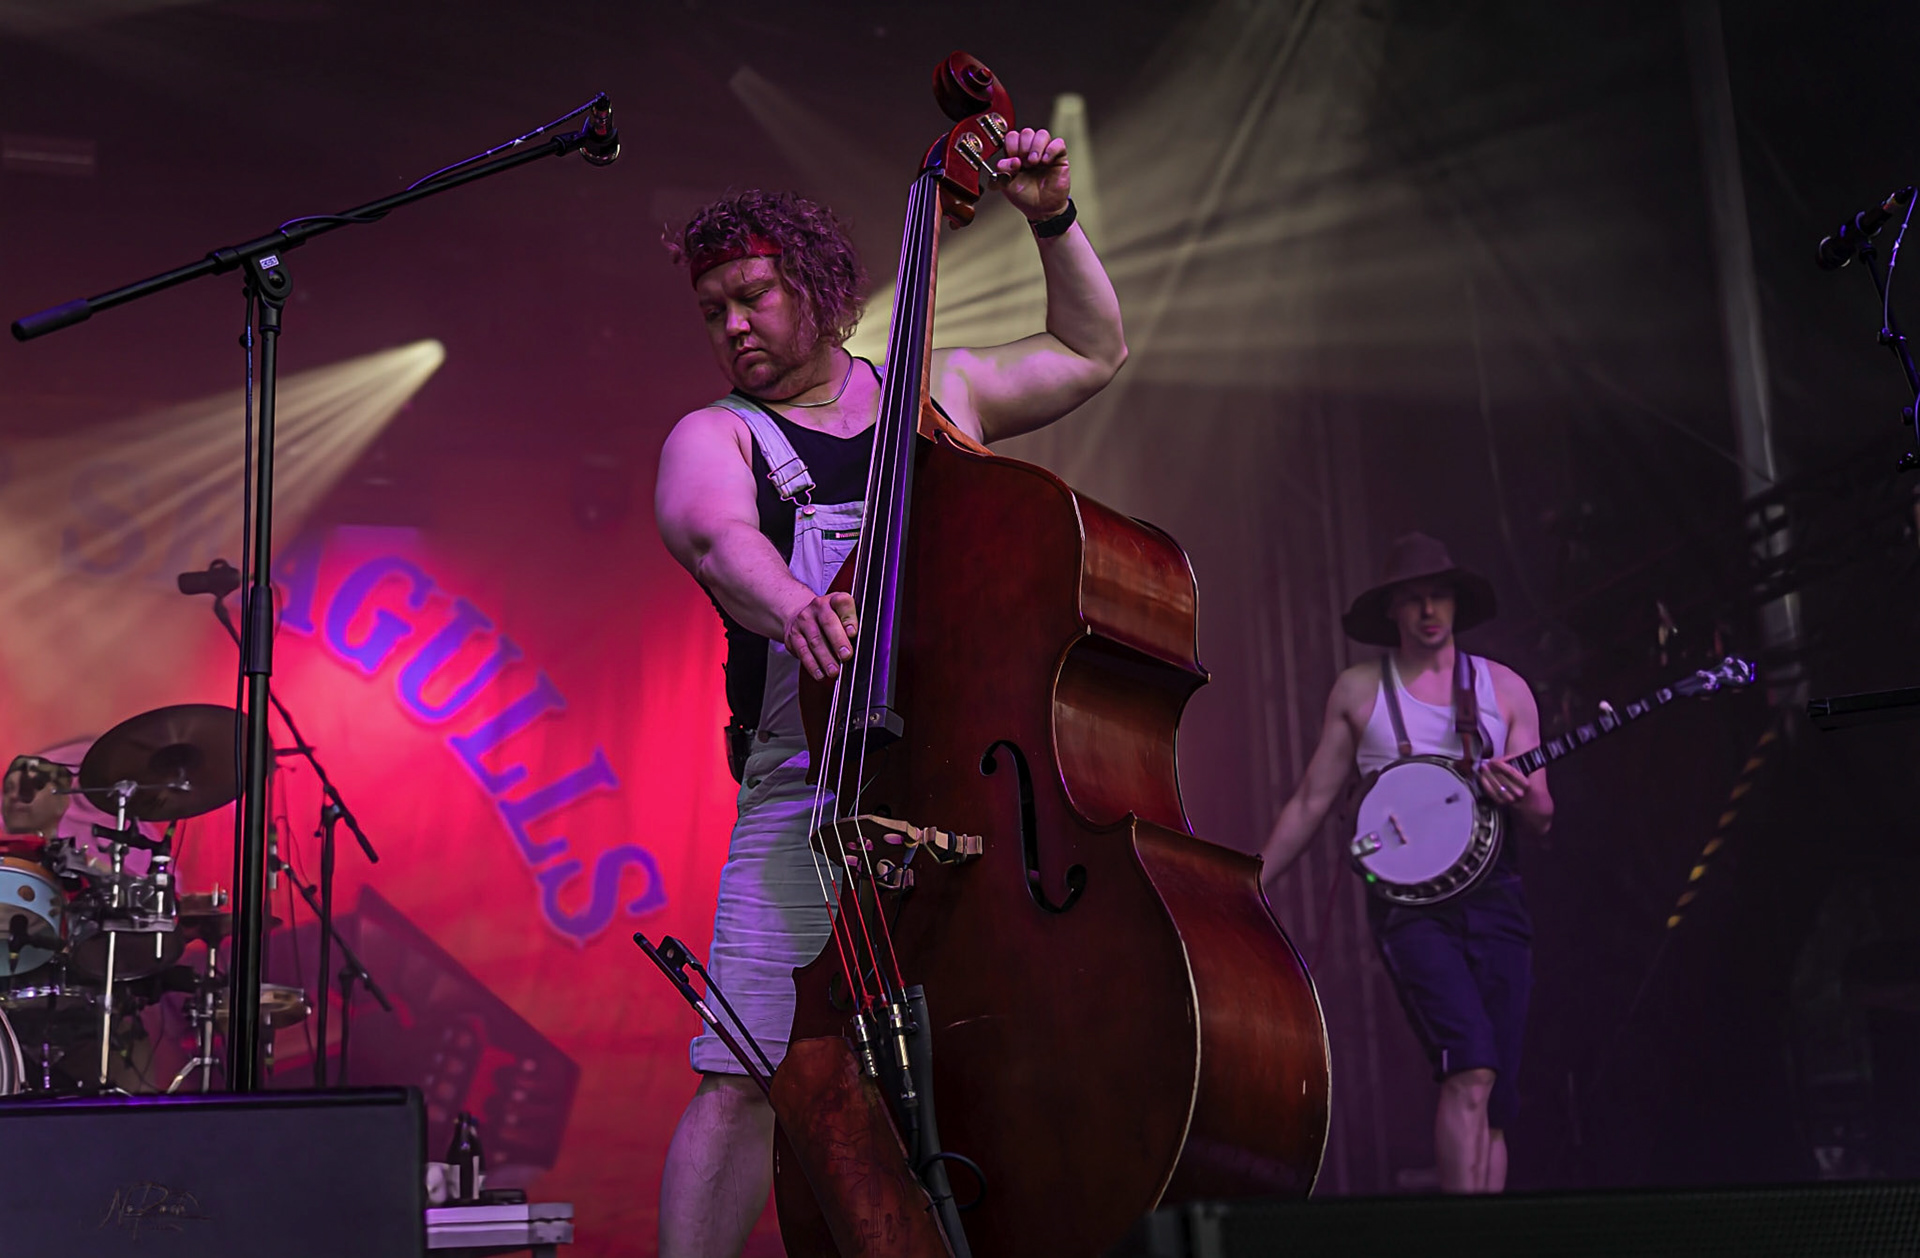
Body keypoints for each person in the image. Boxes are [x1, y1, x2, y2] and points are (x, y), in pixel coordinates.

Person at [651, 126, 1127, 1255]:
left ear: (816, 284)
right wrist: (795, 603)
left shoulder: (939, 390)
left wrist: (1052, 216)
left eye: (753, 295)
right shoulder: (716, 435)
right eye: (712, 308)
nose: (732, 326)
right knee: (745, 1072)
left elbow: (1091, 347)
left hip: (974, 787)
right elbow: (720, 542)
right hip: (812, 789)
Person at [1259, 532, 1553, 1194]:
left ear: (1455, 603)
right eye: (1414, 599)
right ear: (1392, 610)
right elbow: (1311, 801)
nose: (1428, 611)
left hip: (1497, 895)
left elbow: (1542, 817)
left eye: (1438, 596)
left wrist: (1523, 790)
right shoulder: (1359, 692)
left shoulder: (1504, 690)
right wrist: (1250, 882)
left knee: (1497, 1095)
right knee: (1469, 1068)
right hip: (1410, 909)